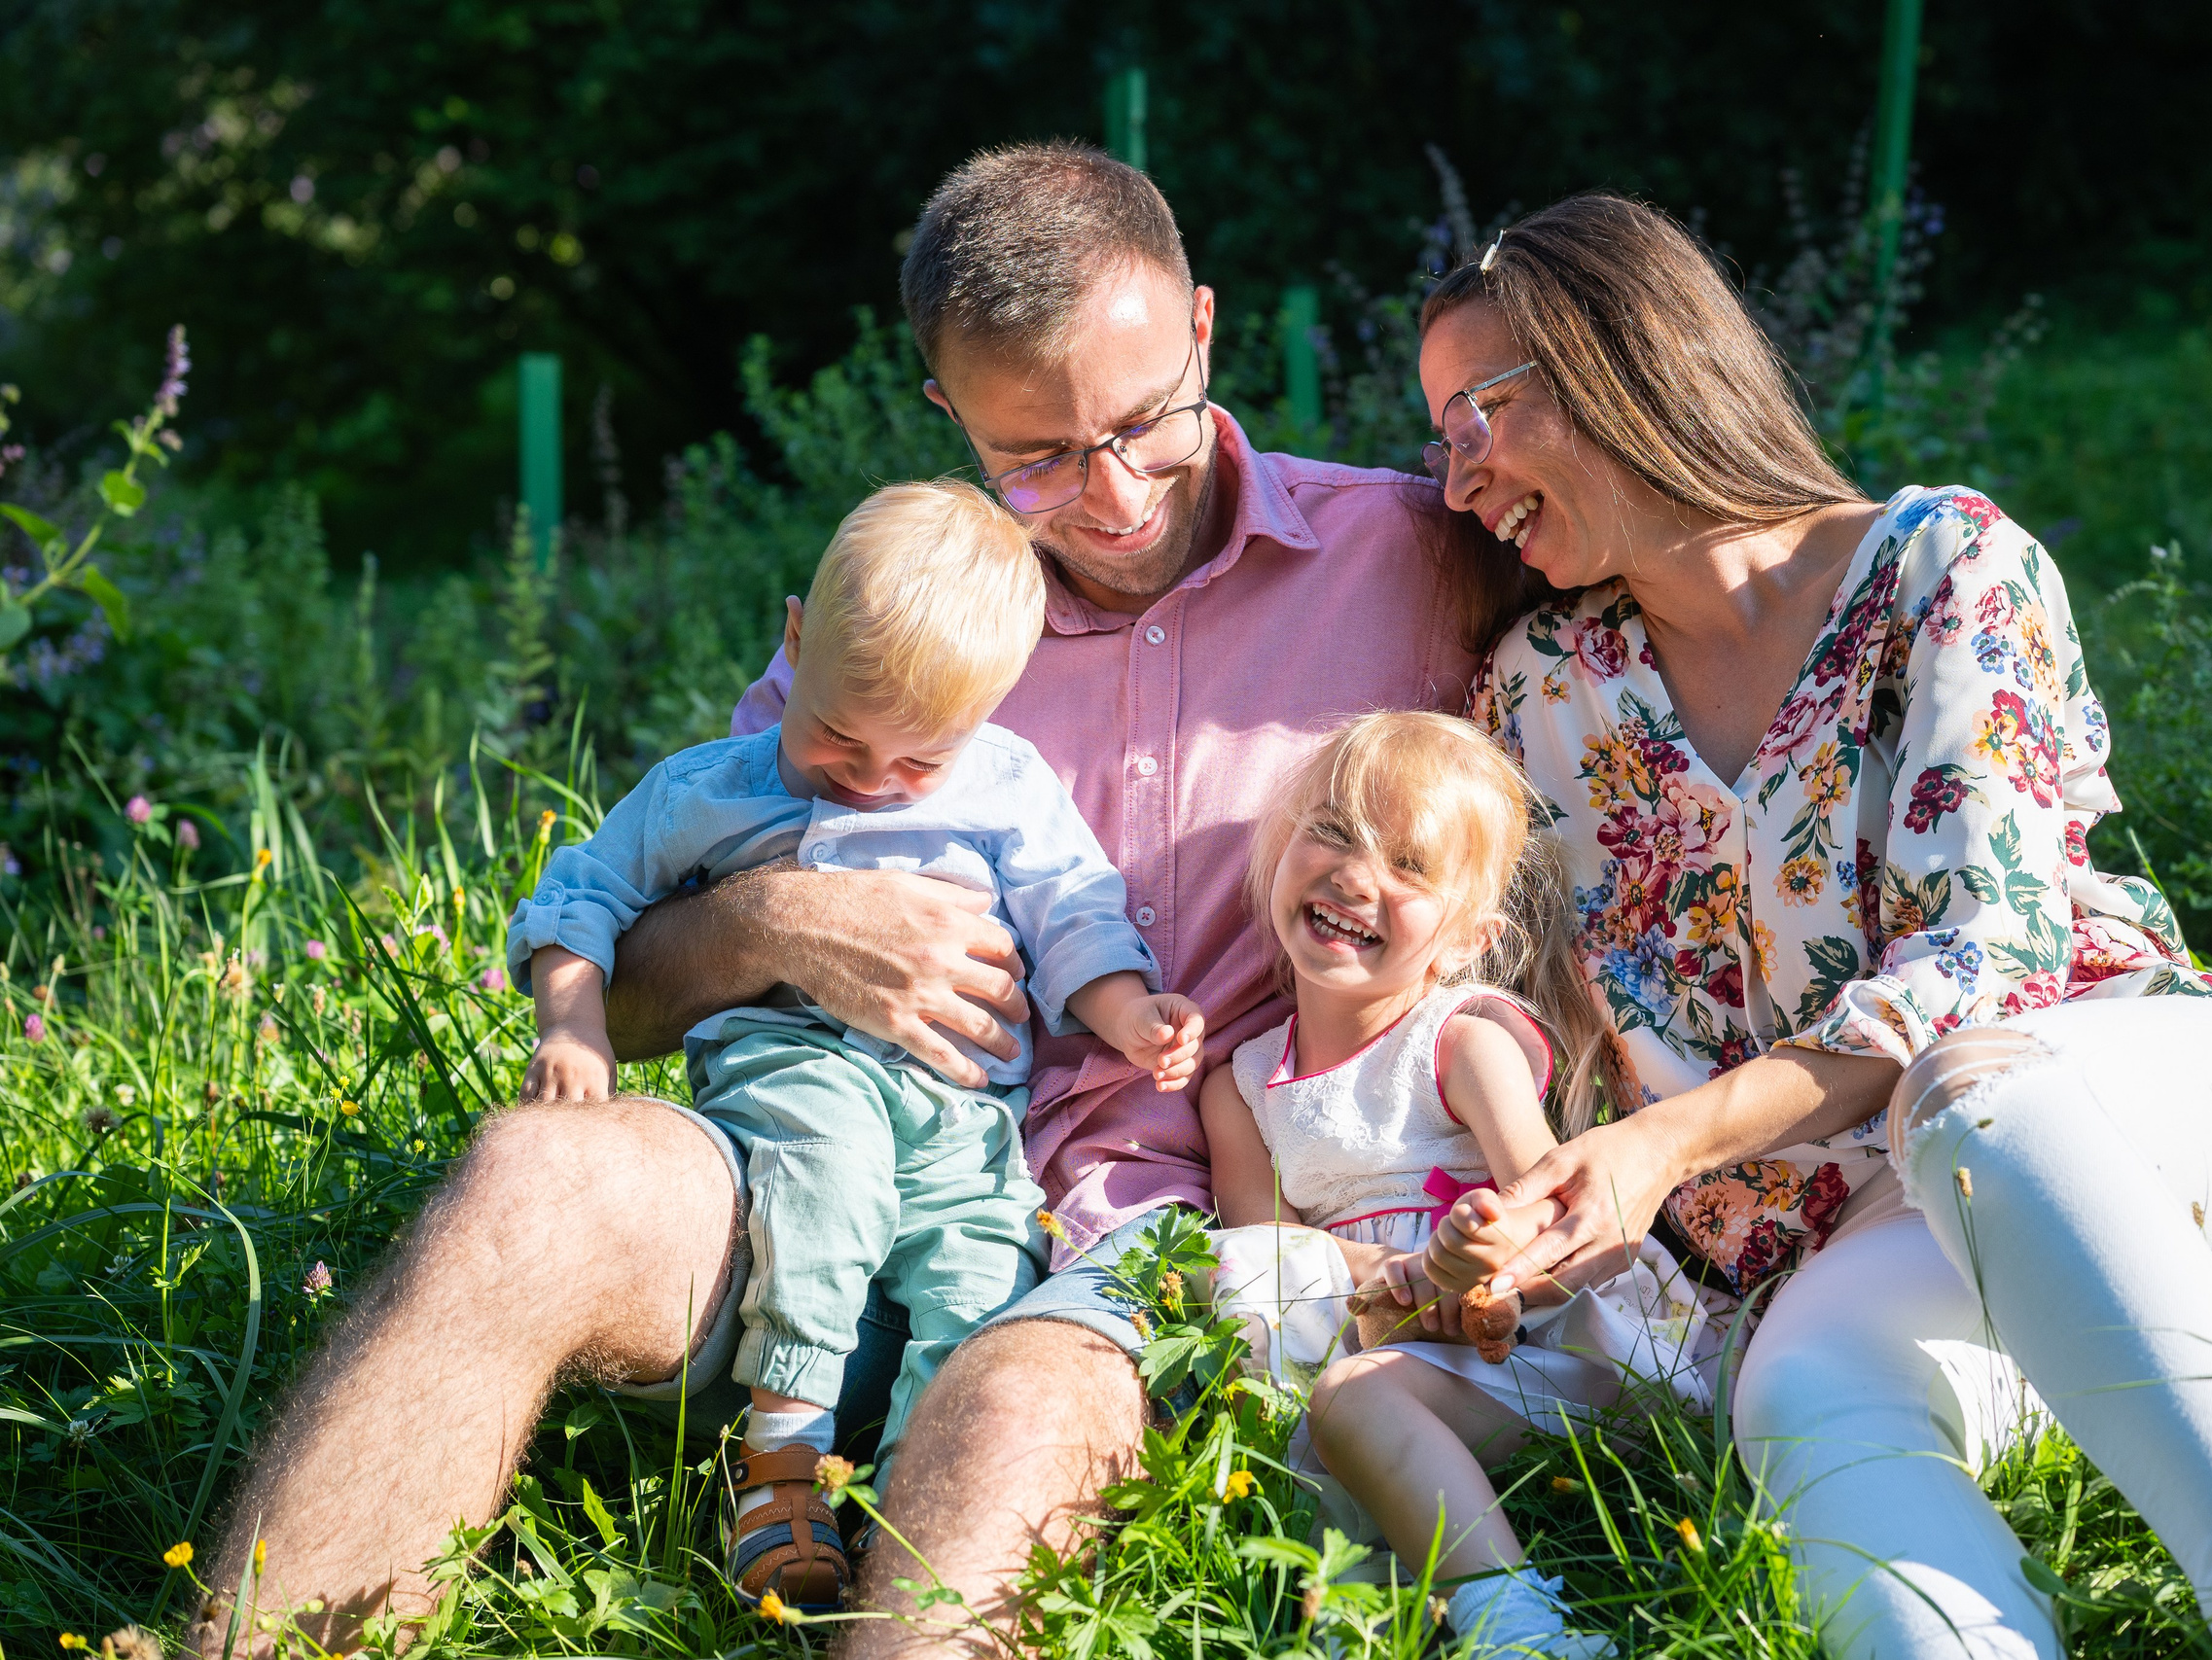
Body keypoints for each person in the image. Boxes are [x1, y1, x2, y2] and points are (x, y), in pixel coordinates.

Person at [194, 142, 1510, 1656]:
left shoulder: (1413, 557)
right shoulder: (899, 625)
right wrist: (770, 927)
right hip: (807, 1163)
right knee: (533, 1178)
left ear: (1204, 329)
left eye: (1143, 425)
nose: (1114, 493)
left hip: (1128, 1252)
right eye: (1038, 455)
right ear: (947, 408)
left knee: (1004, 1409)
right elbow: (618, 988)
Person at [1410, 194, 2212, 1660]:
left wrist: (1674, 1139)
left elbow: (1984, 960)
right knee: (1791, 1395)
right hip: (1876, 1231)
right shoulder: (1544, 688)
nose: (1456, 477)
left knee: (1969, 1094)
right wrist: (1522, 1206)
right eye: (1438, 436)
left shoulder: (1942, 567)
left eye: (1476, 414)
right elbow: (1508, 1003)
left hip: (2132, 1121)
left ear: (1619, 356)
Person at [508, 478, 1205, 1608]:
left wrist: (1126, 1011)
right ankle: (780, 1468)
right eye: (836, 733)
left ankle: (903, 1505)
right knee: (824, 1182)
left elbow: (1073, 905)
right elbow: (577, 894)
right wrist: (572, 1022)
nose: (873, 779)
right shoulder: (707, 791)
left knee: (985, 1280)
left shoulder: (1007, 785)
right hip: (796, 1063)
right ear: (793, 639)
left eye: (916, 761)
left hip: (966, 1111)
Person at [1201, 710, 1712, 1660]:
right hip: (1378, 1333)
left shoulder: (1458, 1042)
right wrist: (1385, 1283)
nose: (1357, 876)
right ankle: (1345, 1586)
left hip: (1535, 1347)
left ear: (1465, 939)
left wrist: (1476, 1268)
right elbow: (1267, 1254)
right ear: (1279, 848)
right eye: (1333, 832)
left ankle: (1512, 1629)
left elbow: (1561, 1228)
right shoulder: (1239, 1084)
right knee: (1233, 1279)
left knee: (1354, 1393)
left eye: (1409, 866)